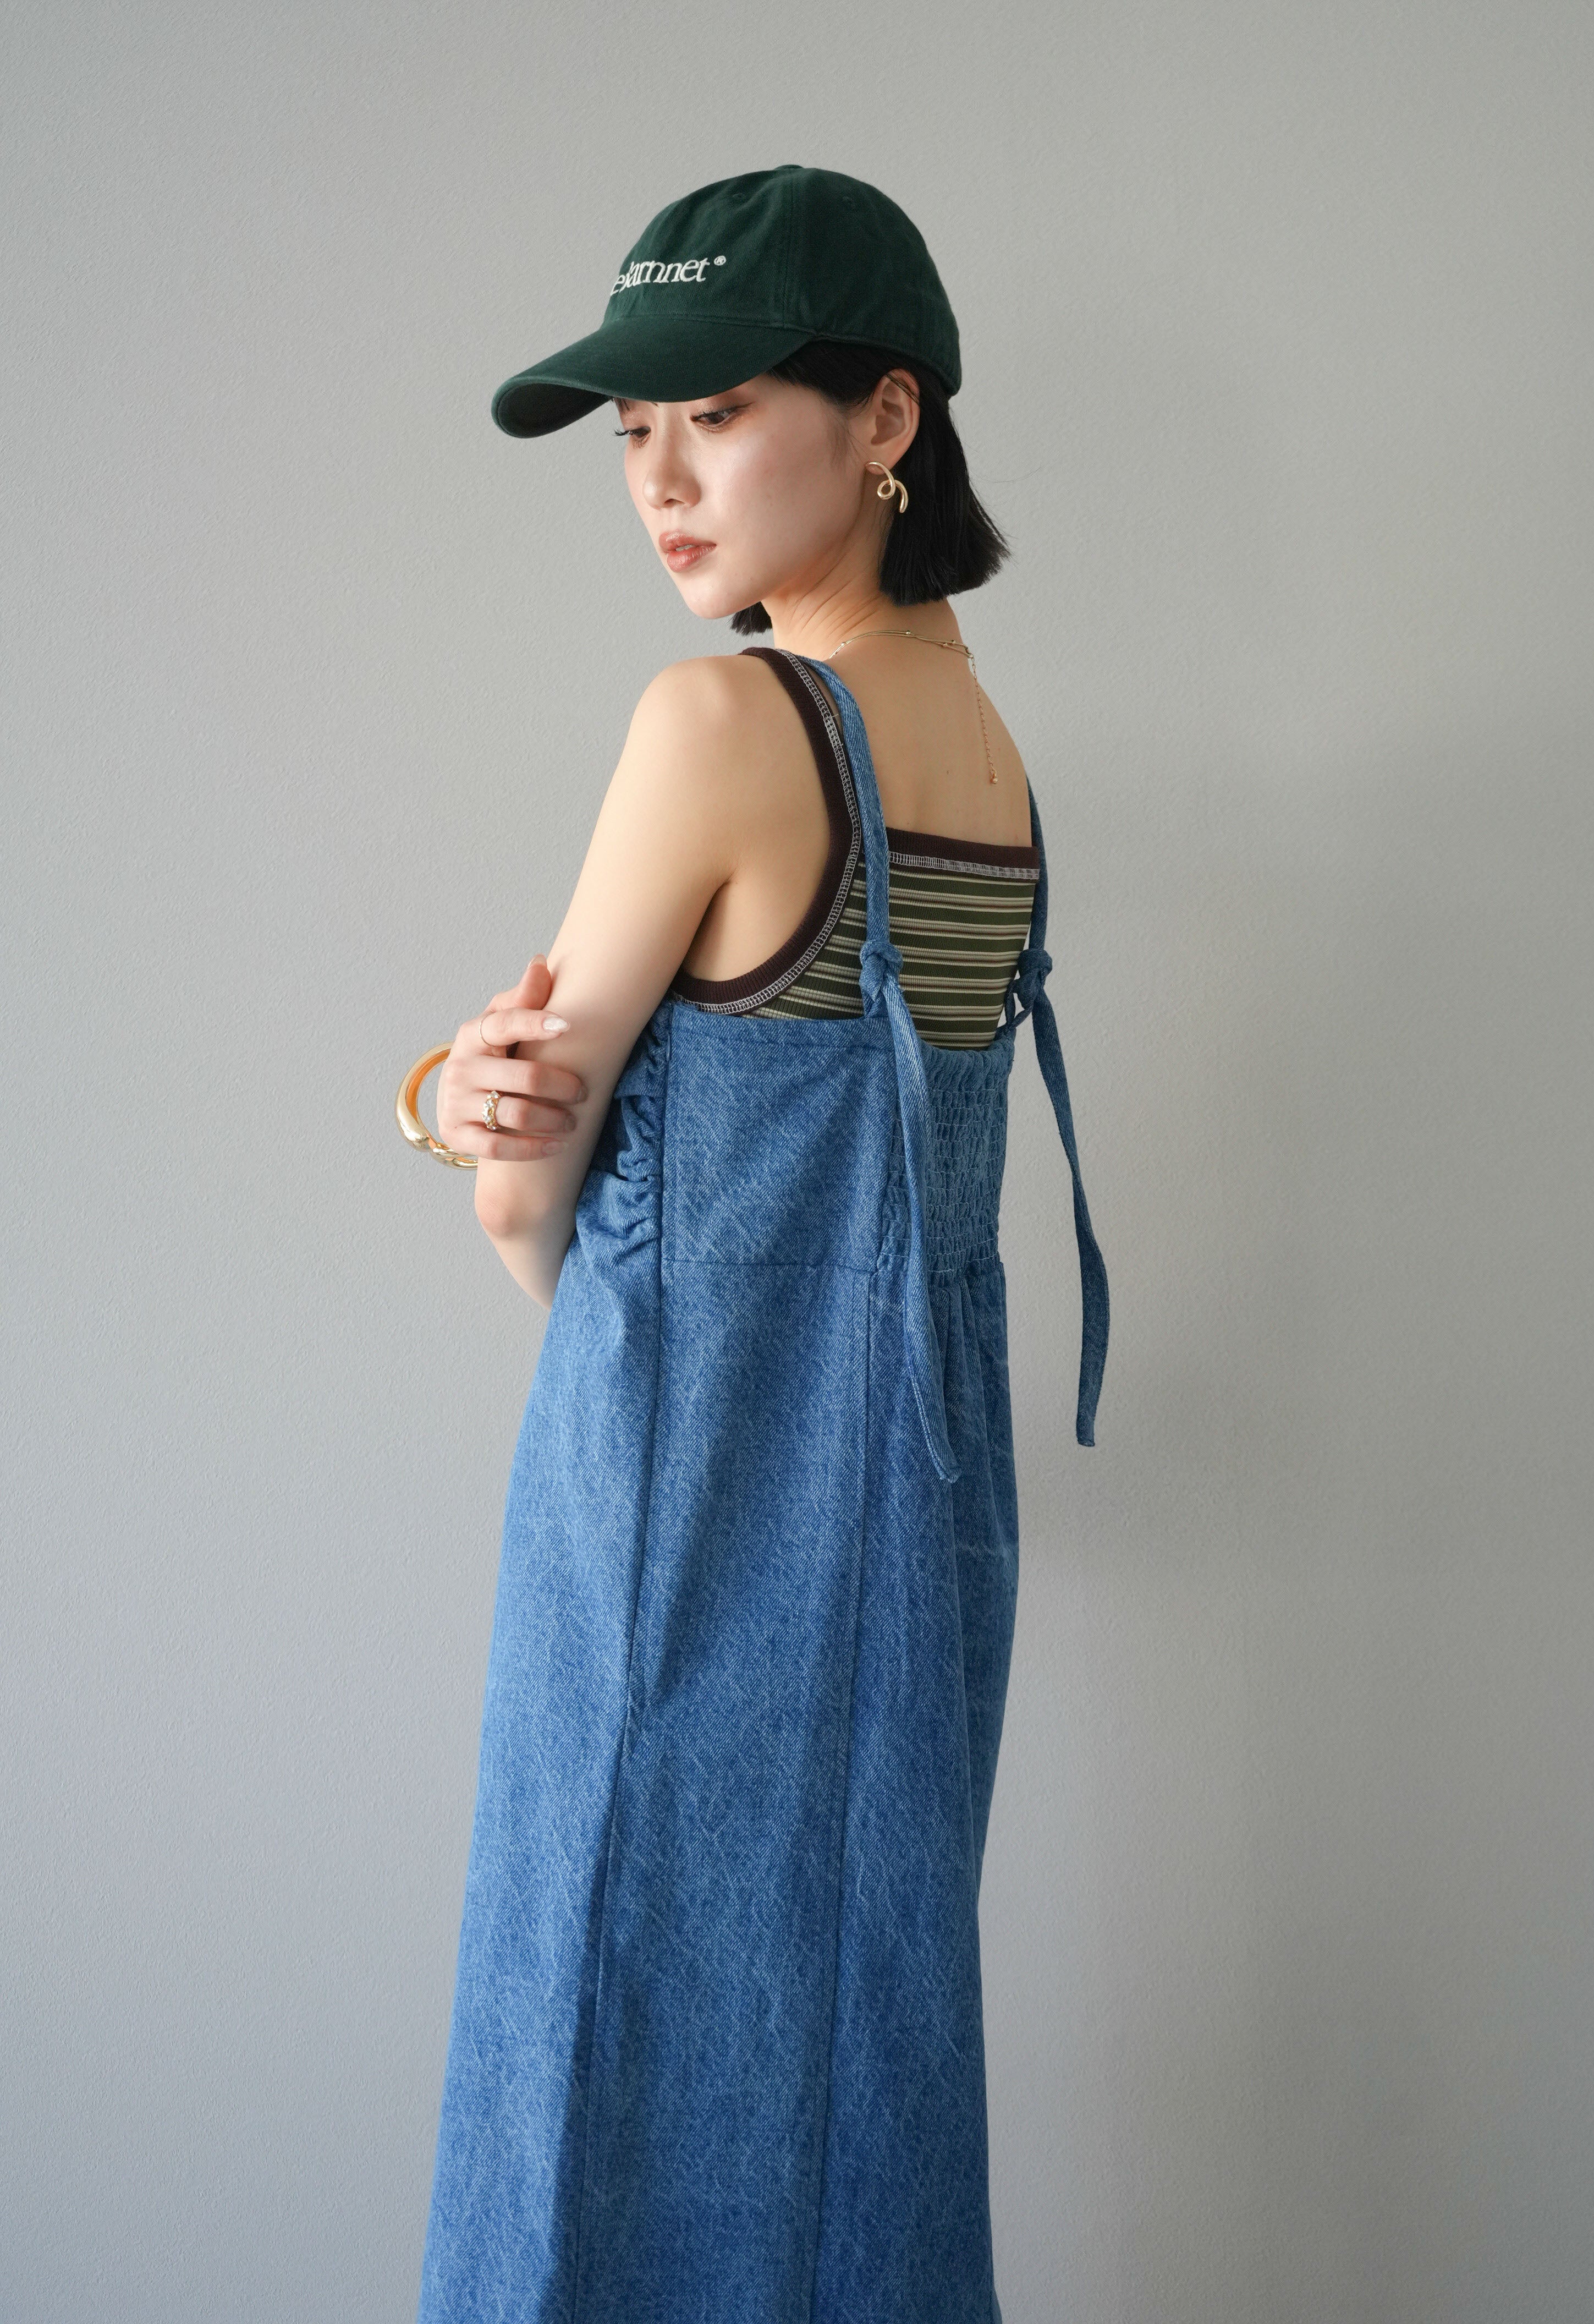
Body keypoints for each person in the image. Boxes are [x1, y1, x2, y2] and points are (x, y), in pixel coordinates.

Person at [405, 165, 1109, 2324]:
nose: (661, 481)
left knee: (592, 2057)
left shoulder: (717, 722)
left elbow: (538, 1196)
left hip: (683, 1513)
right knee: (862, 2064)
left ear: (888, 419)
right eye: (635, 431)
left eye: (715, 414)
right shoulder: (993, 759)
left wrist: (445, 1104)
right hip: (921, 1542)